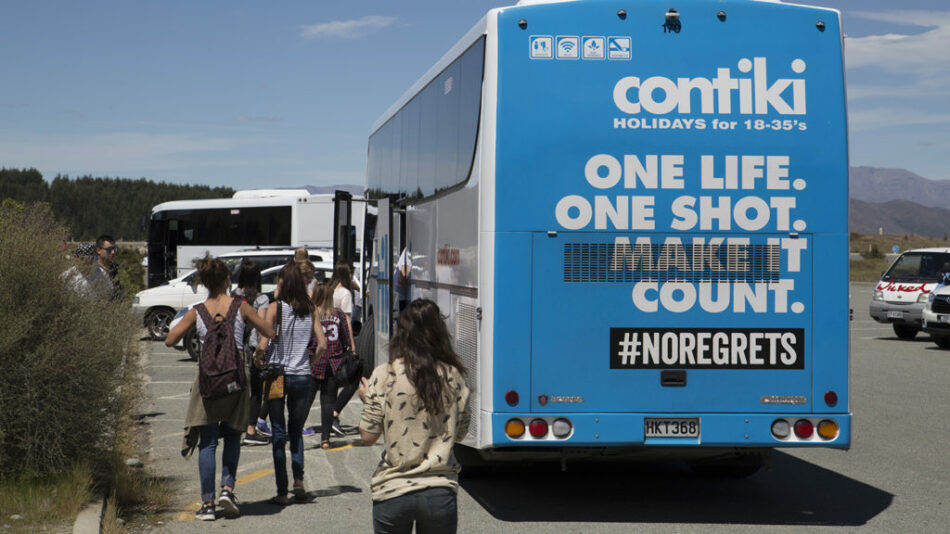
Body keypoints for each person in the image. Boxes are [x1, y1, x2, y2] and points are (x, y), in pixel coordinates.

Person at [166, 254, 275, 521]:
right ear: (228, 280)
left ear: (204, 282)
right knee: (234, 436)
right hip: (236, 378)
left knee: (208, 442)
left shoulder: (197, 310)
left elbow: (170, 340)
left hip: (208, 381)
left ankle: (207, 504)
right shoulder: (241, 306)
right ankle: (227, 489)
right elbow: (269, 331)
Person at [358, 299, 471, 534]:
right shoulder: (453, 375)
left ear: (403, 334)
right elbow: (460, 434)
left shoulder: (385, 373)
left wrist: (369, 399)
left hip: (393, 489)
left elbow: (368, 436)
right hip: (439, 490)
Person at [255, 262, 326, 505]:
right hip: (302, 376)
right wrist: (310, 361)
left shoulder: (275, 309)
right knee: (296, 430)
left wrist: (258, 359)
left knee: (278, 432)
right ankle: (299, 481)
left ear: (284, 282)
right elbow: (323, 344)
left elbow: (263, 343)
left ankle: (282, 491)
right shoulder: (311, 308)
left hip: (277, 375)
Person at [310, 282, 354, 449]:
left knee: (306, 400)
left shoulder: (313, 315)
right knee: (328, 401)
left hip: (315, 362)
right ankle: (326, 439)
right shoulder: (339, 315)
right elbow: (346, 339)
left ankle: (296, 432)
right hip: (334, 362)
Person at [232, 262, 271, 446]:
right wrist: (261, 350)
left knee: (237, 388)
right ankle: (250, 430)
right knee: (256, 391)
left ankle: (233, 427)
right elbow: (261, 324)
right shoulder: (261, 299)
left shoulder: (234, 295)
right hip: (252, 348)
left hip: (235, 346)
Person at [328, 263, 359, 435]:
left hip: (329, 339)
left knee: (330, 383)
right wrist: (352, 346)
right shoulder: (345, 293)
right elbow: (347, 319)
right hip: (340, 342)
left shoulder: (330, 290)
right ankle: (334, 413)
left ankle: (330, 417)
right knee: (352, 378)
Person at [87, 234, 122, 300]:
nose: (113, 252)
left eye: (115, 249)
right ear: (98, 250)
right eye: (109, 250)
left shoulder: (115, 269)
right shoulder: (92, 270)